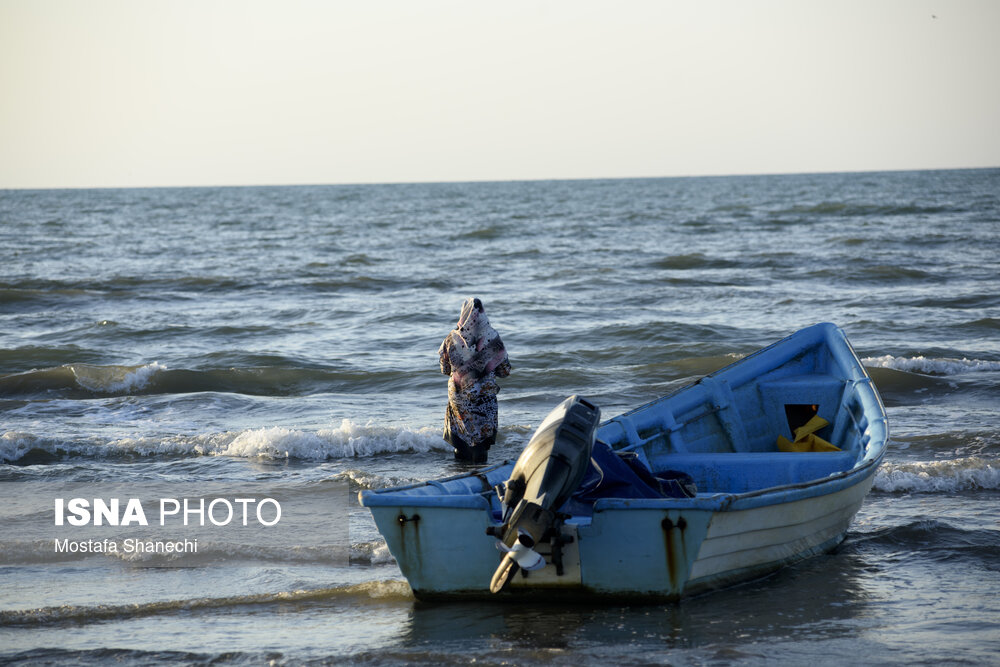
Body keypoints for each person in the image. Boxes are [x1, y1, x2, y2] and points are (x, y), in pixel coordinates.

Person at [438, 298, 511, 463]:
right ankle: (479, 475)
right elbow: (505, 371)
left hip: (458, 396)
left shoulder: (451, 338)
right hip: (484, 397)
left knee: (461, 439)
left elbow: (445, 370)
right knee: (481, 442)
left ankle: (461, 475)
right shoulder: (492, 337)